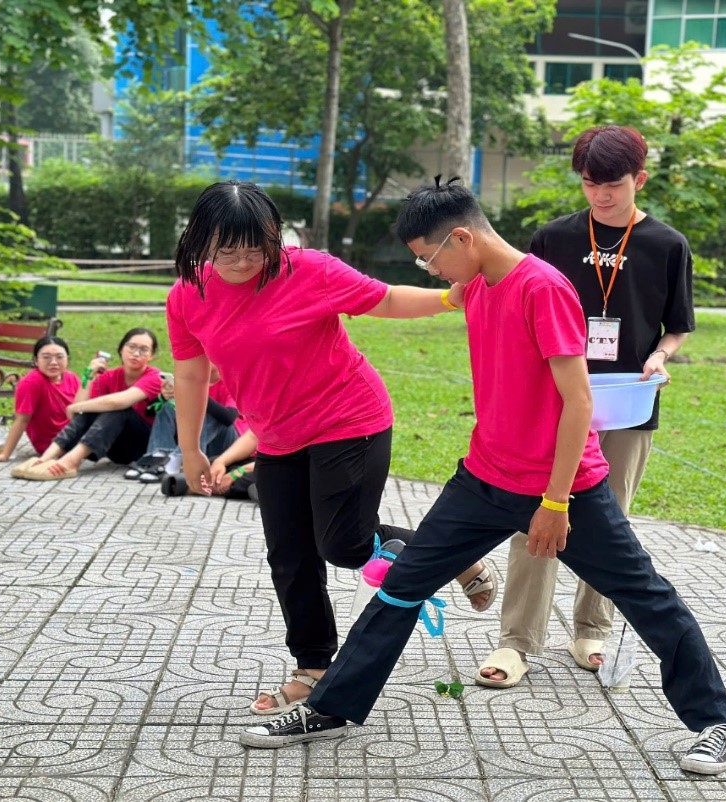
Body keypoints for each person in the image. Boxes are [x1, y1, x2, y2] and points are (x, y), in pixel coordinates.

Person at [239, 179, 726, 777]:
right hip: (481, 479)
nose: (429, 269)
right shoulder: (475, 283)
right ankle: (331, 707)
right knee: (400, 589)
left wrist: (554, 503)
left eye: (430, 256)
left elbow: (578, 403)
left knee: (646, 598)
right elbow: (407, 301)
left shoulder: (544, 288)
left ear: (462, 236)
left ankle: (715, 723)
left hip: (566, 488)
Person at [165, 180, 497, 717]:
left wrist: (447, 297)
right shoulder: (188, 295)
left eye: (256, 247)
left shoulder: (307, 269)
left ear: (273, 238)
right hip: (275, 437)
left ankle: (453, 557)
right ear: (201, 240)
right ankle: (313, 667)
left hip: (348, 420)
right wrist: (191, 448)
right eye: (228, 249)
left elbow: (381, 297)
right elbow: (190, 372)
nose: (244, 260)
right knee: (290, 558)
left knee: (342, 545)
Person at [477, 125, 694, 689]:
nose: (601, 196)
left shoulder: (667, 245)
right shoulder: (553, 237)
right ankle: (517, 640)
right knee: (537, 513)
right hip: (552, 402)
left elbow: (678, 328)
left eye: (613, 186)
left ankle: (590, 627)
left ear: (639, 180)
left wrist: (659, 356)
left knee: (607, 521)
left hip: (626, 402)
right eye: (591, 184)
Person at [15, 328, 163, 480]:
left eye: (144, 350)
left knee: (120, 409)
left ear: (151, 355)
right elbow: (81, 411)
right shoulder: (109, 377)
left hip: (143, 449)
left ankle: (71, 461)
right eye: (131, 347)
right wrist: (89, 375)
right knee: (92, 408)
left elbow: (119, 401)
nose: (136, 353)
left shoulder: (155, 377)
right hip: (116, 450)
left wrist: (75, 407)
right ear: (121, 349)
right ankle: (46, 458)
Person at [0, 336, 80, 467]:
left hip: (77, 435)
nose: (53, 362)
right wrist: (5, 454)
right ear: (36, 360)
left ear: (67, 359)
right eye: (46, 357)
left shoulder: (71, 378)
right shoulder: (32, 382)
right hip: (54, 445)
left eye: (59, 357)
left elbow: (80, 411)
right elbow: (21, 419)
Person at [125, 365, 242, 484]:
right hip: (200, 441)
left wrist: (196, 394)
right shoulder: (190, 381)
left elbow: (229, 418)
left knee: (203, 412)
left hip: (227, 445)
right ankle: (158, 456)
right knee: (169, 406)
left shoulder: (230, 383)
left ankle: (175, 460)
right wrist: (164, 397)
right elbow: (149, 413)